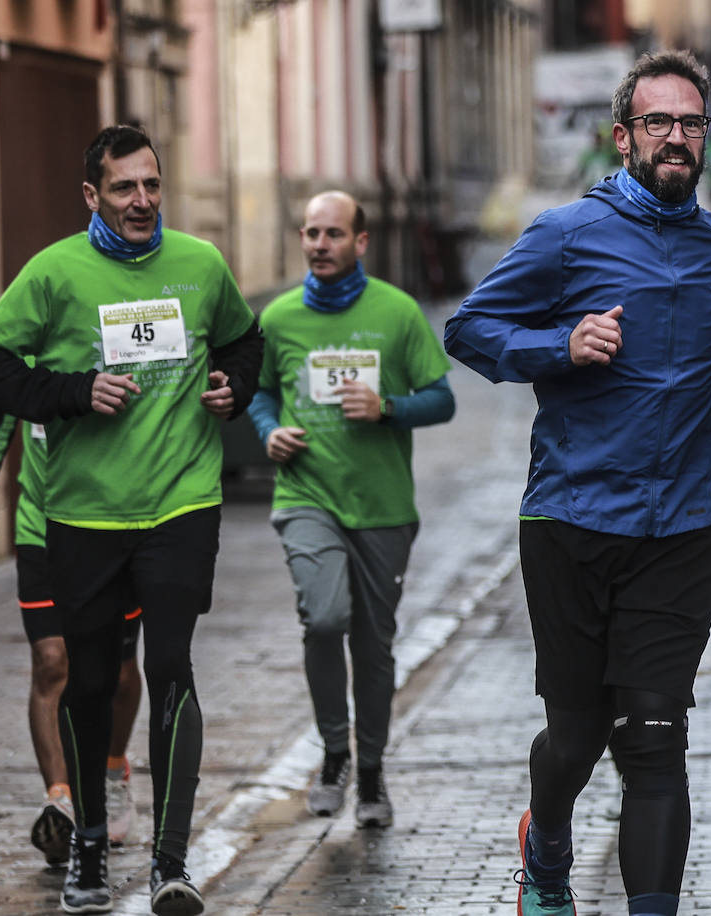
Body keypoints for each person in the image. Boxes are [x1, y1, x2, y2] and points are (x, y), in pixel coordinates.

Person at [444, 50, 711, 916]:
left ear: (706, 138)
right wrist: (561, 347)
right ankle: (545, 843)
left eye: (690, 123)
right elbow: (470, 330)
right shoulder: (564, 235)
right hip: (573, 525)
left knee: (658, 741)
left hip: (677, 533)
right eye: (657, 123)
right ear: (622, 137)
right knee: (579, 736)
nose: (675, 138)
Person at [0, 124, 263, 916]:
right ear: (92, 196)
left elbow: (247, 344)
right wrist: (73, 392)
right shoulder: (53, 273)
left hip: (181, 501)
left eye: (152, 184)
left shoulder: (201, 265)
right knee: (91, 678)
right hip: (83, 512)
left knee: (172, 664)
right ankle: (89, 845)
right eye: (124, 188)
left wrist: (231, 389)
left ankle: (170, 864)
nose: (142, 201)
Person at [247, 190, 455, 830]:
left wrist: (386, 407)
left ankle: (370, 771)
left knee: (374, 645)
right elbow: (260, 395)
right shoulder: (279, 318)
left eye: (333, 234)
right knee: (325, 615)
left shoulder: (396, 313)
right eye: (311, 233)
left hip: (383, 505)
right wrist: (268, 432)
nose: (319, 245)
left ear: (360, 242)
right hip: (307, 493)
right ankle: (333, 750)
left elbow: (442, 399)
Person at [0, 409, 145, 866]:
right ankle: (61, 800)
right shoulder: (29, 342)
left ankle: (113, 772)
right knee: (52, 662)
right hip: (42, 525)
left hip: (115, 524)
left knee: (116, 670)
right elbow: (0, 400)